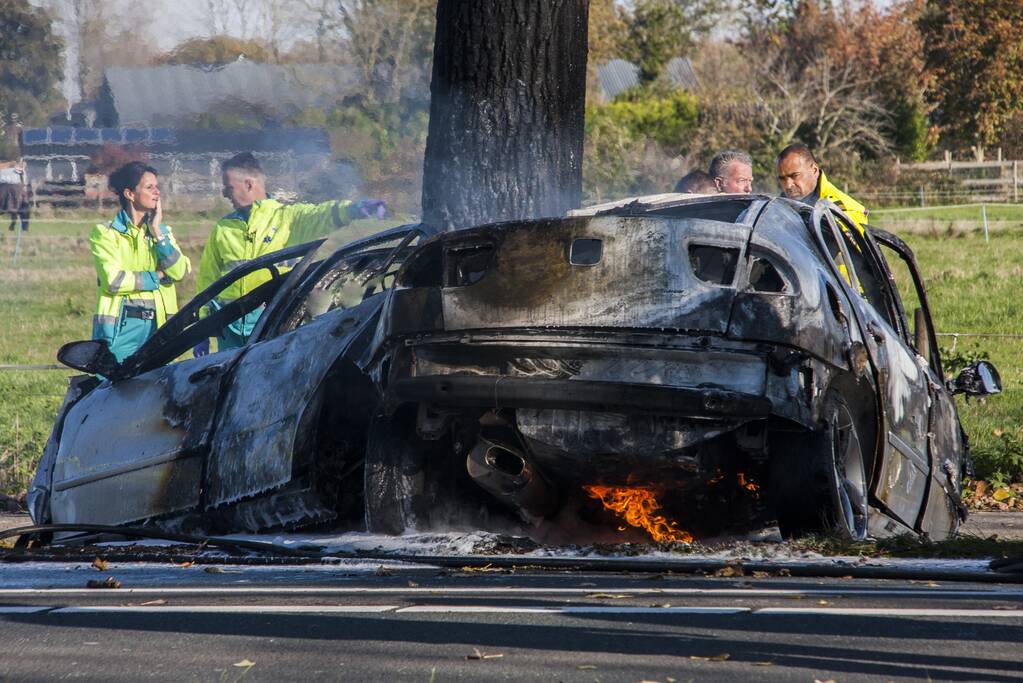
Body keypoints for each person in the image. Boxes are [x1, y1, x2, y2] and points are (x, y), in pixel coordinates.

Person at [194, 152, 386, 355]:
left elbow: (322, 214)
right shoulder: (222, 228)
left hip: (273, 325)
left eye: (228, 187)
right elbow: (207, 283)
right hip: (229, 332)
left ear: (249, 184)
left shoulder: (288, 219)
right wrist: (201, 332)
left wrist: (354, 209)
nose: (224, 194)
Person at [91, 161, 191, 362]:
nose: (157, 192)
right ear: (129, 194)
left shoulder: (163, 233)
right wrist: (159, 276)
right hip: (120, 330)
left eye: (157, 186)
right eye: (149, 187)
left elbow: (180, 272)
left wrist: (157, 233)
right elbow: (114, 281)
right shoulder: (105, 234)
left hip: (160, 329)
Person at [776, 142, 868, 232]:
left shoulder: (846, 211)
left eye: (794, 176)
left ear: (814, 170)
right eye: (782, 179)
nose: (788, 185)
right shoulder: (775, 206)